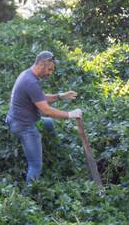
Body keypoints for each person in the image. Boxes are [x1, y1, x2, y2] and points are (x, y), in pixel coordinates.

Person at [6, 51, 81, 183]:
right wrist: (70, 115)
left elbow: (39, 98)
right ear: (41, 64)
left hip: (15, 119)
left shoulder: (27, 75)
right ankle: (27, 199)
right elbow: (46, 110)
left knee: (48, 123)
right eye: (50, 69)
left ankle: (55, 149)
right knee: (35, 165)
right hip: (23, 126)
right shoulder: (31, 82)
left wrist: (60, 96)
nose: (50, 73)